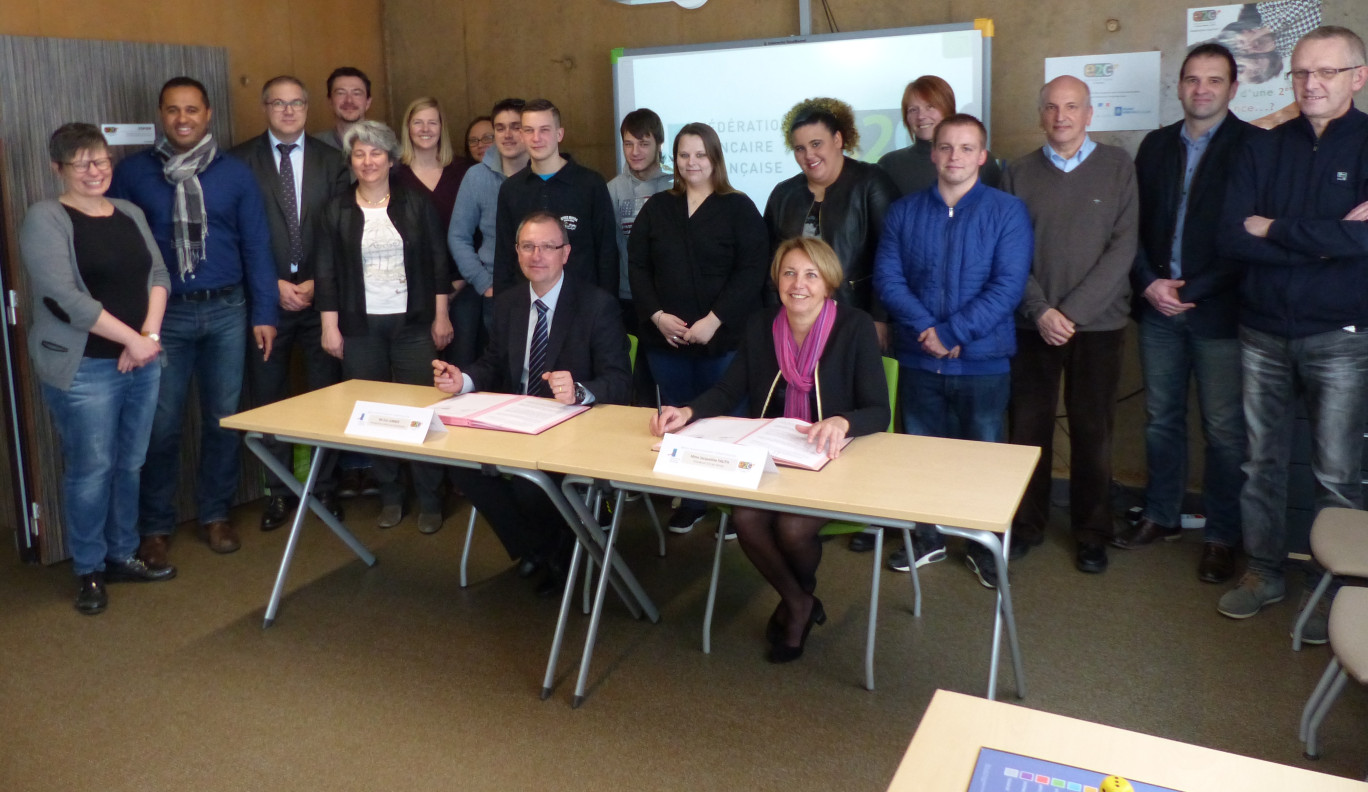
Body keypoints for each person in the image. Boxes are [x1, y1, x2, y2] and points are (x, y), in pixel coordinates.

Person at [650, 236, 889, 663]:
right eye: (789, 273)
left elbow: (879, 410)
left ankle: (797, 604)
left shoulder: (854, 326)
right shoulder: (762, 325)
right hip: (772, 454)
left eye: (811, 275)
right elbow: (729, 388)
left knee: (793, 529)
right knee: (747, 518)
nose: (799, 284)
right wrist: (688, 411)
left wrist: (842, 420)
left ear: (829, 282)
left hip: (831, 458)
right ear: (777, 280)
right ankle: (799, 602)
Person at [1216, 26, 1368, 638]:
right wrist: (1331, 240)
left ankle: (1336, 592)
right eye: (1302, 73)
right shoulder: (1262, 147)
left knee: (1337, 471)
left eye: (1326, 73)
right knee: (1261, 463)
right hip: (1260, 332)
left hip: (1341, 334)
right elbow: (1230, 236)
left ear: (1357, 77)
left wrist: (1272, 229)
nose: (1311, 84)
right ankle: (1263, 572)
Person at [109, 77, 277, 564]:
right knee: (160, 427)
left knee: (222, 421)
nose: (183, 119)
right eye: (173, 110)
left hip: (228, 310)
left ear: (208, 115)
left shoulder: (236, 174)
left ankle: (215, 514)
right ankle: (156, 525)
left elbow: (256, 246)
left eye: (192, 110)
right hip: (164, 317)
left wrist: (265, 311)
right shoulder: (134, 174)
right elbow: (121, 248)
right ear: (161, 114)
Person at [1116, 44, 1258, 586]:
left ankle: (1222, 534)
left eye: (1214, 80)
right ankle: (1161, 516)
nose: (1202, 90)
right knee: (1161, 419)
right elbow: (1130, 226)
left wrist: (1193, 288)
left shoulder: (1253, 146)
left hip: (1220, 313)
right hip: (1157, 309)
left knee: (1224, 431)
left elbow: (1250, 233)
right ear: (1178, 86)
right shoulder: (1154, 145)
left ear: (1232, 88)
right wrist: (1149, 282)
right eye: (1193, 79)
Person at [21, 123, 177, 614]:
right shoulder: (45, 217)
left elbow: (157, 273)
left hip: (141, 363)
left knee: (130, 463)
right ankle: (88, 568)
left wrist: (148, 338)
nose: (95, 171)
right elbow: (64, 297)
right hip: (86, 368)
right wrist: (132, 339)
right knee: (92, 470)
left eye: (102, 160)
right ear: (57, 169)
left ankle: (121, 553)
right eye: (82, 163)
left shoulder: (127, 211)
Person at [434, 211, 631, 597]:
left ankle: (547, 549)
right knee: (460, 466)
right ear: (516, 252)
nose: (536, 255)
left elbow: (621, 382)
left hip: (569, 427)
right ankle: (546, 548)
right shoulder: (508, 304)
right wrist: (464, 380)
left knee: (528, 486)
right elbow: (493, 363)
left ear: (566, 253)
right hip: (515, 422)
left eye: (547, 246)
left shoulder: (596, 305)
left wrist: (579, 390)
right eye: (527, 246)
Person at [874, 113, 1033, 582]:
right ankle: (927, 538)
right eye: (946, 147)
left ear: (982, 157)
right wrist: (929, 329)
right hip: (919, 357)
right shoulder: (905, 211)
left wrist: (953, 333)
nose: (955, 157)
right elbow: (888, 277)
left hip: (983, 361)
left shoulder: (1006, 211)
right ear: (933, 153)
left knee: (984, 457)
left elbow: (1008, 286)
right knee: (921, 454)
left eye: (966, 148)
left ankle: (985, 545)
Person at [1001, 75, 1138, 577]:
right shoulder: (1017, 173)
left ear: (1089, 113)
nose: (1061, 116)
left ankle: (1092, 532)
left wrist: (1072, 314)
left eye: (1072, 107)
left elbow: (1123, 249)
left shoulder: (1118, 167)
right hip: (1030, 327)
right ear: (1041, 115)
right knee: (1028, 431)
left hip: (1098, 325)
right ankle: (1029, 525)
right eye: (1052, 107)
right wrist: (1040, 311)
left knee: (1092, 431)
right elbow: (1010, 255)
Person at [764, 96, 897, 555]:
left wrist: (879, 317)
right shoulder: (784, 193)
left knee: (850, 402)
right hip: (797, 320)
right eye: (799, 148)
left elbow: (889, 256)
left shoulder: (871, 183)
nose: (808, 156)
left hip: (855, 317)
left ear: (840, 140)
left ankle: (855, 504)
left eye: (817, 143)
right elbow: (774, 264)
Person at [628, 122, 768, 534]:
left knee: (726, 420)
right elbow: (637, 265)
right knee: (679, 421)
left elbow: (752, 269)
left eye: (700, 155)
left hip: (722, 339)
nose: (692, 163)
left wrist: (715, 319)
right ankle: (692, 501)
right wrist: (655, 315)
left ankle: (733, 505)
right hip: (665, 342)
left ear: (715, 159)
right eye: (684, 155)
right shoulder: (658, 207)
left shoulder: (738, 206)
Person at [314, 120, 453, 535]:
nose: (368, 161)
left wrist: (441, 315)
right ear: (351, 160)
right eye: (360, 153)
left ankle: (430, 497)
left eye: (377, 153)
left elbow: (437, 262)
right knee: (372, 414)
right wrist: (329, 327)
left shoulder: (416, 204)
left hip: (413, 324)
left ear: (392, 159)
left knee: (423, 410)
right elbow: (326, 273)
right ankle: (391, 494)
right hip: (359, 326)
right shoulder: (335, 209)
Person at [230, 75, 351, 532]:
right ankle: (278, 492)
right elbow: (235, 235)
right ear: (264, 107)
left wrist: (319, 282)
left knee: (327, 397)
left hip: (323, 300)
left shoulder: (334, 161)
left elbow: (343, 229)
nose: (287, 111)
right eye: (277, 103)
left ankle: (324, 488)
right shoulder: (240, 160)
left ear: (307, 107)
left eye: (296, 103)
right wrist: (270, 283)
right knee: (269, 399)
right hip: (267, 301)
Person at [492, 98, 617, 293]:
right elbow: (503, 258)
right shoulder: (510, 190)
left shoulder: (590, 184)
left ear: (559, 134)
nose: (536, 138)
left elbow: (606, 254)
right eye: (529, 130)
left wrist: (607, 310)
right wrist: (503, 313)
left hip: (583, 307)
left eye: (544, 130)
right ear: (522, 135)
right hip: (527, 308)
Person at [394, 97, 477, 367]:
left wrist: (458, 284)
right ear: (407, 128)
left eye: (432, 122)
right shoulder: (393, 175)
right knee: (421, 376)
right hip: (412, 295)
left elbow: (480, 234)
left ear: (442, 127)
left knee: (462, 371)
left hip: (464, 287)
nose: (425, 128)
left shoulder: (465, 171)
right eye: (418, 122)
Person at [448, 98, 528, 346]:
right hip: (496, 292)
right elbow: (458, 236)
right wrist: (484, 284)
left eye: (516, 126)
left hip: (542, 290)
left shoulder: (544, 172)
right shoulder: (476, 176)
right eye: (500, 128)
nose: (508, 135)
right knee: (500, 371)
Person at [876, 75, 1002, 197]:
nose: (921, 116)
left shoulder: (981, 161)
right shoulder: (890, 164)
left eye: (930, 107)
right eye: (913, 110)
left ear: (948, 108)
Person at [607, 108, 673, 335]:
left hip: (669, 299)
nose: (635, 152)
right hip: (627, 298)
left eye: (643, 144)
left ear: (659, 144)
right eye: (628, 144)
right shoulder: (612, 189)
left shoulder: (676, 187)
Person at [316, 67, 372, 151]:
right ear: (330, 101)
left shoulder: (386, 144)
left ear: (368, 102)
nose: (349, 100)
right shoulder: (315, 146)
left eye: (356, 94)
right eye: (340, 93)